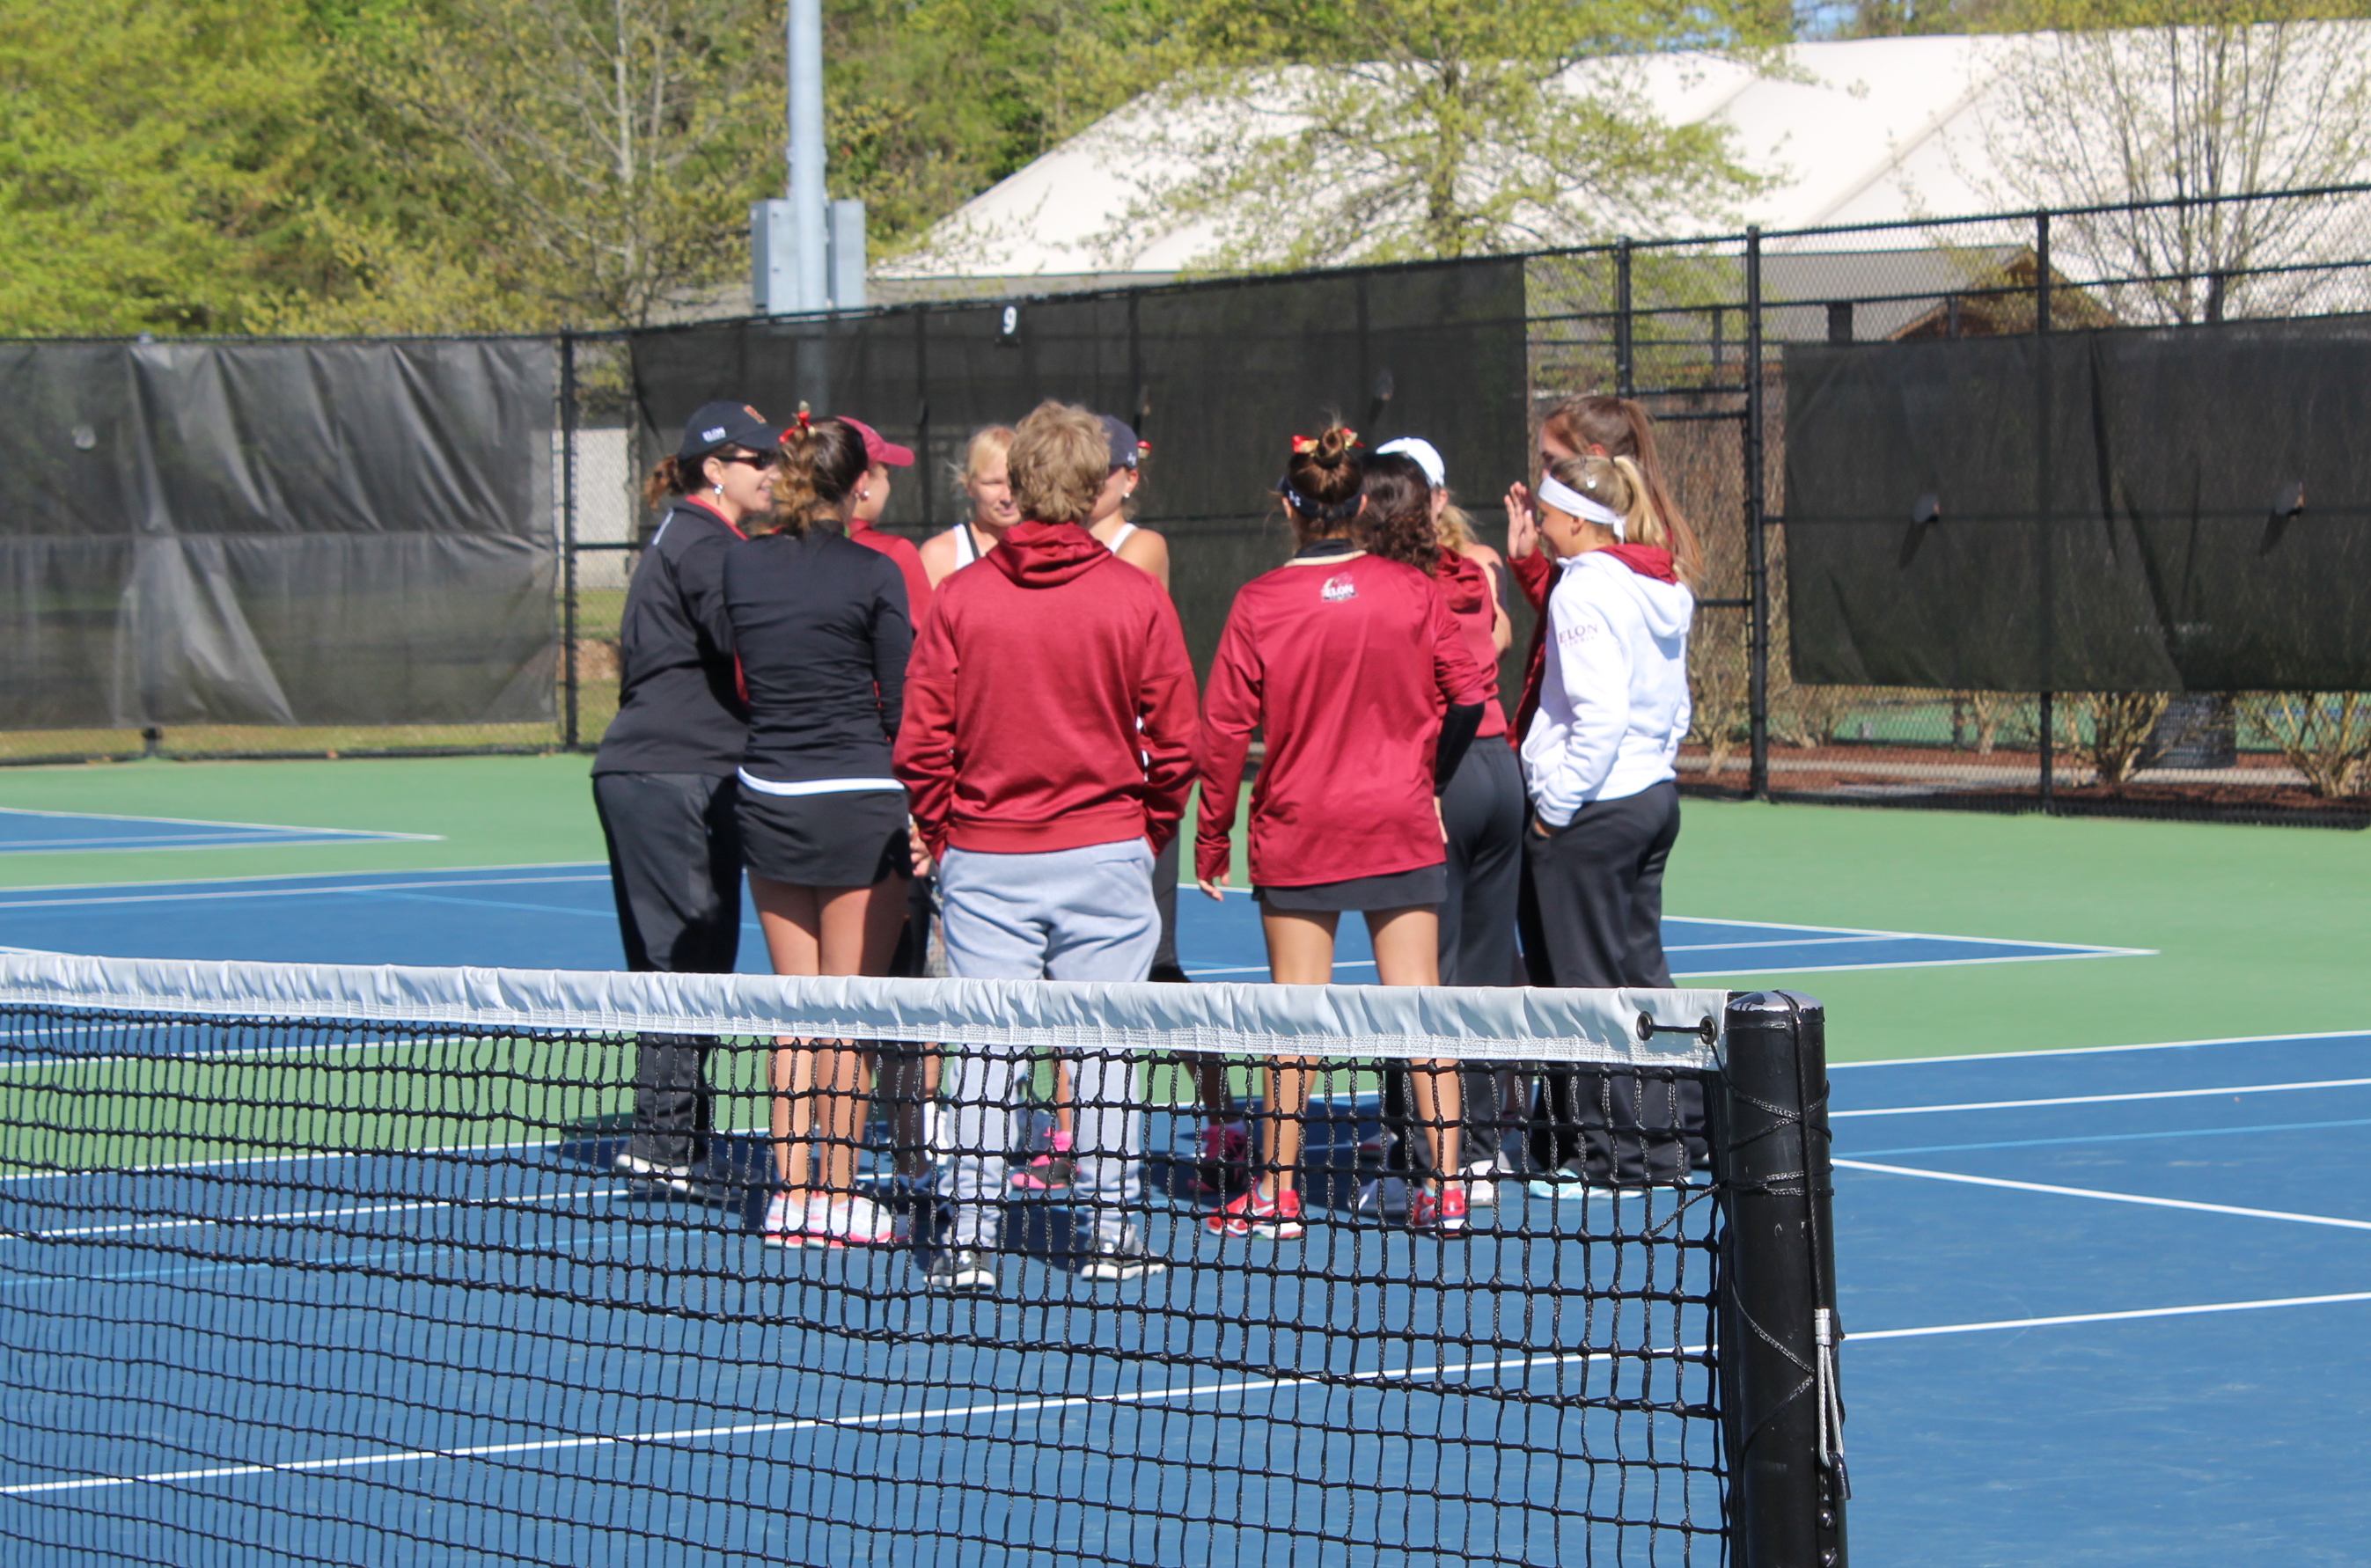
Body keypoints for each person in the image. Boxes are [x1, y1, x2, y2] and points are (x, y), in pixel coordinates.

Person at [893, 399, 1199, 1293]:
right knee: (1106, 1051)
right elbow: (1176, 743)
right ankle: (1112, 1231)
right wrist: (1143, 831)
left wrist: (950, 831)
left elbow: (919, 745)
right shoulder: (1132, 595)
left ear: (1021, 484)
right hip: (1098, 851)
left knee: (985, 1053)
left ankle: (969, 1240)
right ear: (1095, 486)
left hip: (993, 859)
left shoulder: (963, 599)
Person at [1194, 426, 1491, 1239]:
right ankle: (1448, 1191)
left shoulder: (1259, 601)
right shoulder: (1412, 590)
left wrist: (1210, 837)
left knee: (1293, 1013)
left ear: (1289, 505)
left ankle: (1277, 1192)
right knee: (1423, 1009)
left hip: (1300, 830)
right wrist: (1425, 776)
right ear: (1359, 502)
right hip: (1396, 824)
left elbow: (1222, 732)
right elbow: (1469, 696)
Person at [723, 413, 914, 1247]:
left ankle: (789, 1194)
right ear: (859, 484)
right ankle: (835, 1195)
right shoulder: (877, 574)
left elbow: (745, 676)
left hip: (767, 800)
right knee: (846, 1011)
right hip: (858, 807)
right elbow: (905, 706)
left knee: (796, 1010)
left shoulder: (738, 566)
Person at [591, 401, 776, 1200]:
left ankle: (680, 1140)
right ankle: (662, 1147)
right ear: (716, 469)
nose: (771, 472)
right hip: (674, 776)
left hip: (665, 773)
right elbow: (748, 648)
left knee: (684, 963)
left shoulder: (693, 537)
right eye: (757, 459)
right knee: (684, 967)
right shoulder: (705, 544)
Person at [1517, 451, 1707, 1184]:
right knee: (1639, 978)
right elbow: (1675, 705)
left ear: (1573, 518)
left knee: (1591, 989)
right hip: (1652, 797)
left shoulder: (1583, 593)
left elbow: (1599, 716)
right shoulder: (1653, 583)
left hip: (1596, 812)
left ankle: (1621, 1157)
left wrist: (1554, 812)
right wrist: (1654, 765)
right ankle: (1669, 1143)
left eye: (1545, 511)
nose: (1538, 523)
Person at [1356, 441, 1527, 1214]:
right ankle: (1482, 1149)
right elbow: (1491, 643)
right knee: (1485, 974)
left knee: (1425, 981)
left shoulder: (1395, 586)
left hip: (1447, 775)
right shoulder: (1476, 568)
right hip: (1501, 772)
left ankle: (1430, 1160)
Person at [918, 425, 1019, 589]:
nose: (1007, 497)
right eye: (993, 483)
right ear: (969, 487)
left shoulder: (1045, 549)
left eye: (1016, 483)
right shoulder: (941, 554)